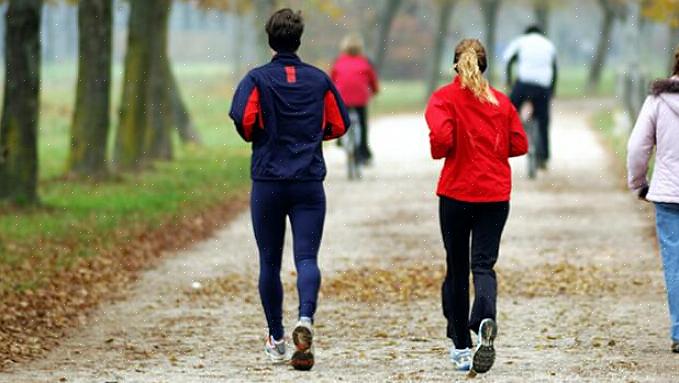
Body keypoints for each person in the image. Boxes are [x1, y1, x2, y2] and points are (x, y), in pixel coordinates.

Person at [229, 8, 350, 370]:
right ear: (299, 39)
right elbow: (339, 123)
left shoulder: (256, 79)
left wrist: (260, 138)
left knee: (269, 261)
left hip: (268, 180)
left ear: (270, 39)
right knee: (307, 258)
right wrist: (313, 137)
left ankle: (277, 337)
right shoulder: (319, 80)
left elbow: (243, 119)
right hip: (308, 181)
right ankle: (306, 319)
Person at [425, 39, 528, 373]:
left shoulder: (443, 98)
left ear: (456, 64)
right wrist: (492, 154)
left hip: (456, 194)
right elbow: (519, 143)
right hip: (495, 197)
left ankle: (460, 347)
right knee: (482, 266)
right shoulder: (500, 101)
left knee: (456, 271)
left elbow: (442, 142)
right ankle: (484, 317)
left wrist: (448, 147)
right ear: (484, 65)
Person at [627, 46, 679, 354]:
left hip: (670, 194)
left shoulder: (658, 100)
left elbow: (637, 148)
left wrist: (639, 183)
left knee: (675, 264)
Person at [502, 25, 557, 169]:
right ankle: (543, 156)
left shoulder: (521, 41)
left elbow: (508, 61)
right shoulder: (548, 45)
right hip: (542, 86)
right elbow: (555, 69)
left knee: (507, 113)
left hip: (523, 84)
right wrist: (552, 91)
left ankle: (502, 147)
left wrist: (508, 81)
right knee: (543, 120)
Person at [331, 33, 379, 164]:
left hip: (343, 98)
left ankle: (340, 138)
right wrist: (374, 91)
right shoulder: (365, 62)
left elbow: (332, 80)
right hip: (360, 98)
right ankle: (363, 152)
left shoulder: (338, 62)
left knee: (341, 118)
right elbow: (372, 81)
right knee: (362, 124)